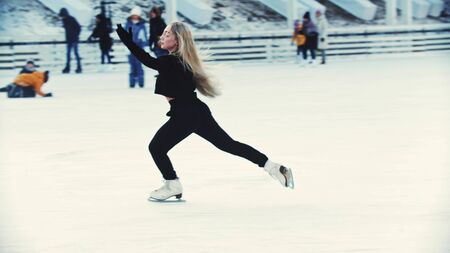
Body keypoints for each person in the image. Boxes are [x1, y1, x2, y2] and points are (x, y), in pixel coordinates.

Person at [116, 21, 294, 201]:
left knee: (156, 147)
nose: (162, 36)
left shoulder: (171, 61)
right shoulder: (181, 61)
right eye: (163, 32)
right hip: (196, 111)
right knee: (228, 144)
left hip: (186, 114)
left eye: (167, 34)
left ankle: (172, 184)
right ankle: (274, 168)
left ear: (177, 40)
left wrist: (128, 42)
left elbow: (148, 60)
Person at [125, 6, 148, 88]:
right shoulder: (128, 24)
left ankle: (141, 82)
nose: (135, 16)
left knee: (139, 65)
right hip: (130, 47)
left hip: (139, 47)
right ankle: (132, 82)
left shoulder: (142, 25)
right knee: (132, 65)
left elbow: (144, 36)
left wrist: (145, 46)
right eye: (133, 15)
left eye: (136, 15)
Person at [59, 8, 82, 74]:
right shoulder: (65, 20)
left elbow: (78, 27)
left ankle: (78, 67)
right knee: (69, 54)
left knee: (74, 53)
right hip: (70, 39)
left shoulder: (71, 19)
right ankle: (69, 67)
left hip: (73, 39)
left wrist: (75, 35)